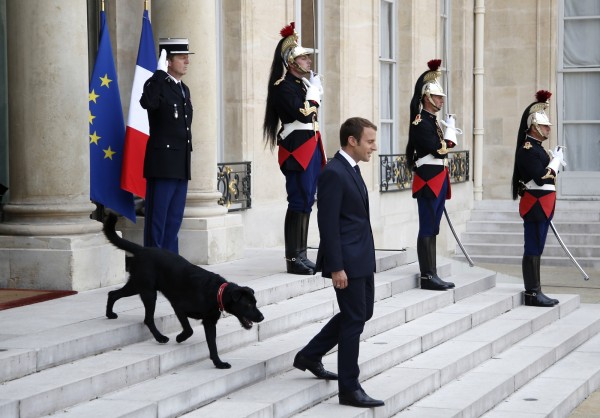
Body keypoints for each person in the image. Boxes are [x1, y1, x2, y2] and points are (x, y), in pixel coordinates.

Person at [293, 117, 384, 408]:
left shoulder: (351, 169)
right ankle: (349, 388)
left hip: (360, 257)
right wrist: (336, 267)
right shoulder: (333, 172)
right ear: (352, 141)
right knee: (354, 320)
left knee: (360, 313)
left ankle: (310, 354)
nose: (374, 147)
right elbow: (327, 223)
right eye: (369, 141)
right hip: (346, 261)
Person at [263, 22, 326, 275]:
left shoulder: (300, 84)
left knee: (307, 200)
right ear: (291, 61)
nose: (308, 60)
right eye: (302, 57)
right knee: (298, 200)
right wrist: (313, 96)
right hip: (295, 150)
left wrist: (311, 92)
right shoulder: (283, 86)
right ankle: (293, 258)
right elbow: (300, 113)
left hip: (308, 147)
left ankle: (301, 254)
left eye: (307, 57)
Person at [405, 59, 456, 291]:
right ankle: (427, 275)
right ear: (427, 97)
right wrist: (450, 136)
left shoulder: (432, 121)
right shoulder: (420, 122)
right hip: (428, 180)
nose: (441, 100)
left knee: (433, 228)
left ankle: (431, 272)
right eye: (438, 97)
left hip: (437, 178)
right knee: (427, 227)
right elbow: (438, 148)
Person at [139, 38, 193, 254]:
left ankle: (171, 266)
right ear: (168, 61)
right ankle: (154, 267)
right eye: (182, 57)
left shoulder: (183, 89)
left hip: (180, 162)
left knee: (173, 219)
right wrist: (159, 74)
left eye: (187, 57)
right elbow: (147, 103)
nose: (187, 61)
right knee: (157, 219)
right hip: (162, 163)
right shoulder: (156, 84)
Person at [511, 90, 564, 307]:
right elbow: (541, 179)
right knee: (533, 246)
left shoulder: (538, 148)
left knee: (537, 247)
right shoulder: (528, 149)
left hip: (542, 204)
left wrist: (553, 161)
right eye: (545, 126)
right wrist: (555, 163)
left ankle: (536, 289)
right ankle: (532, 292)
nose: (548, 129)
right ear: (534, 126)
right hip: (535, 205)